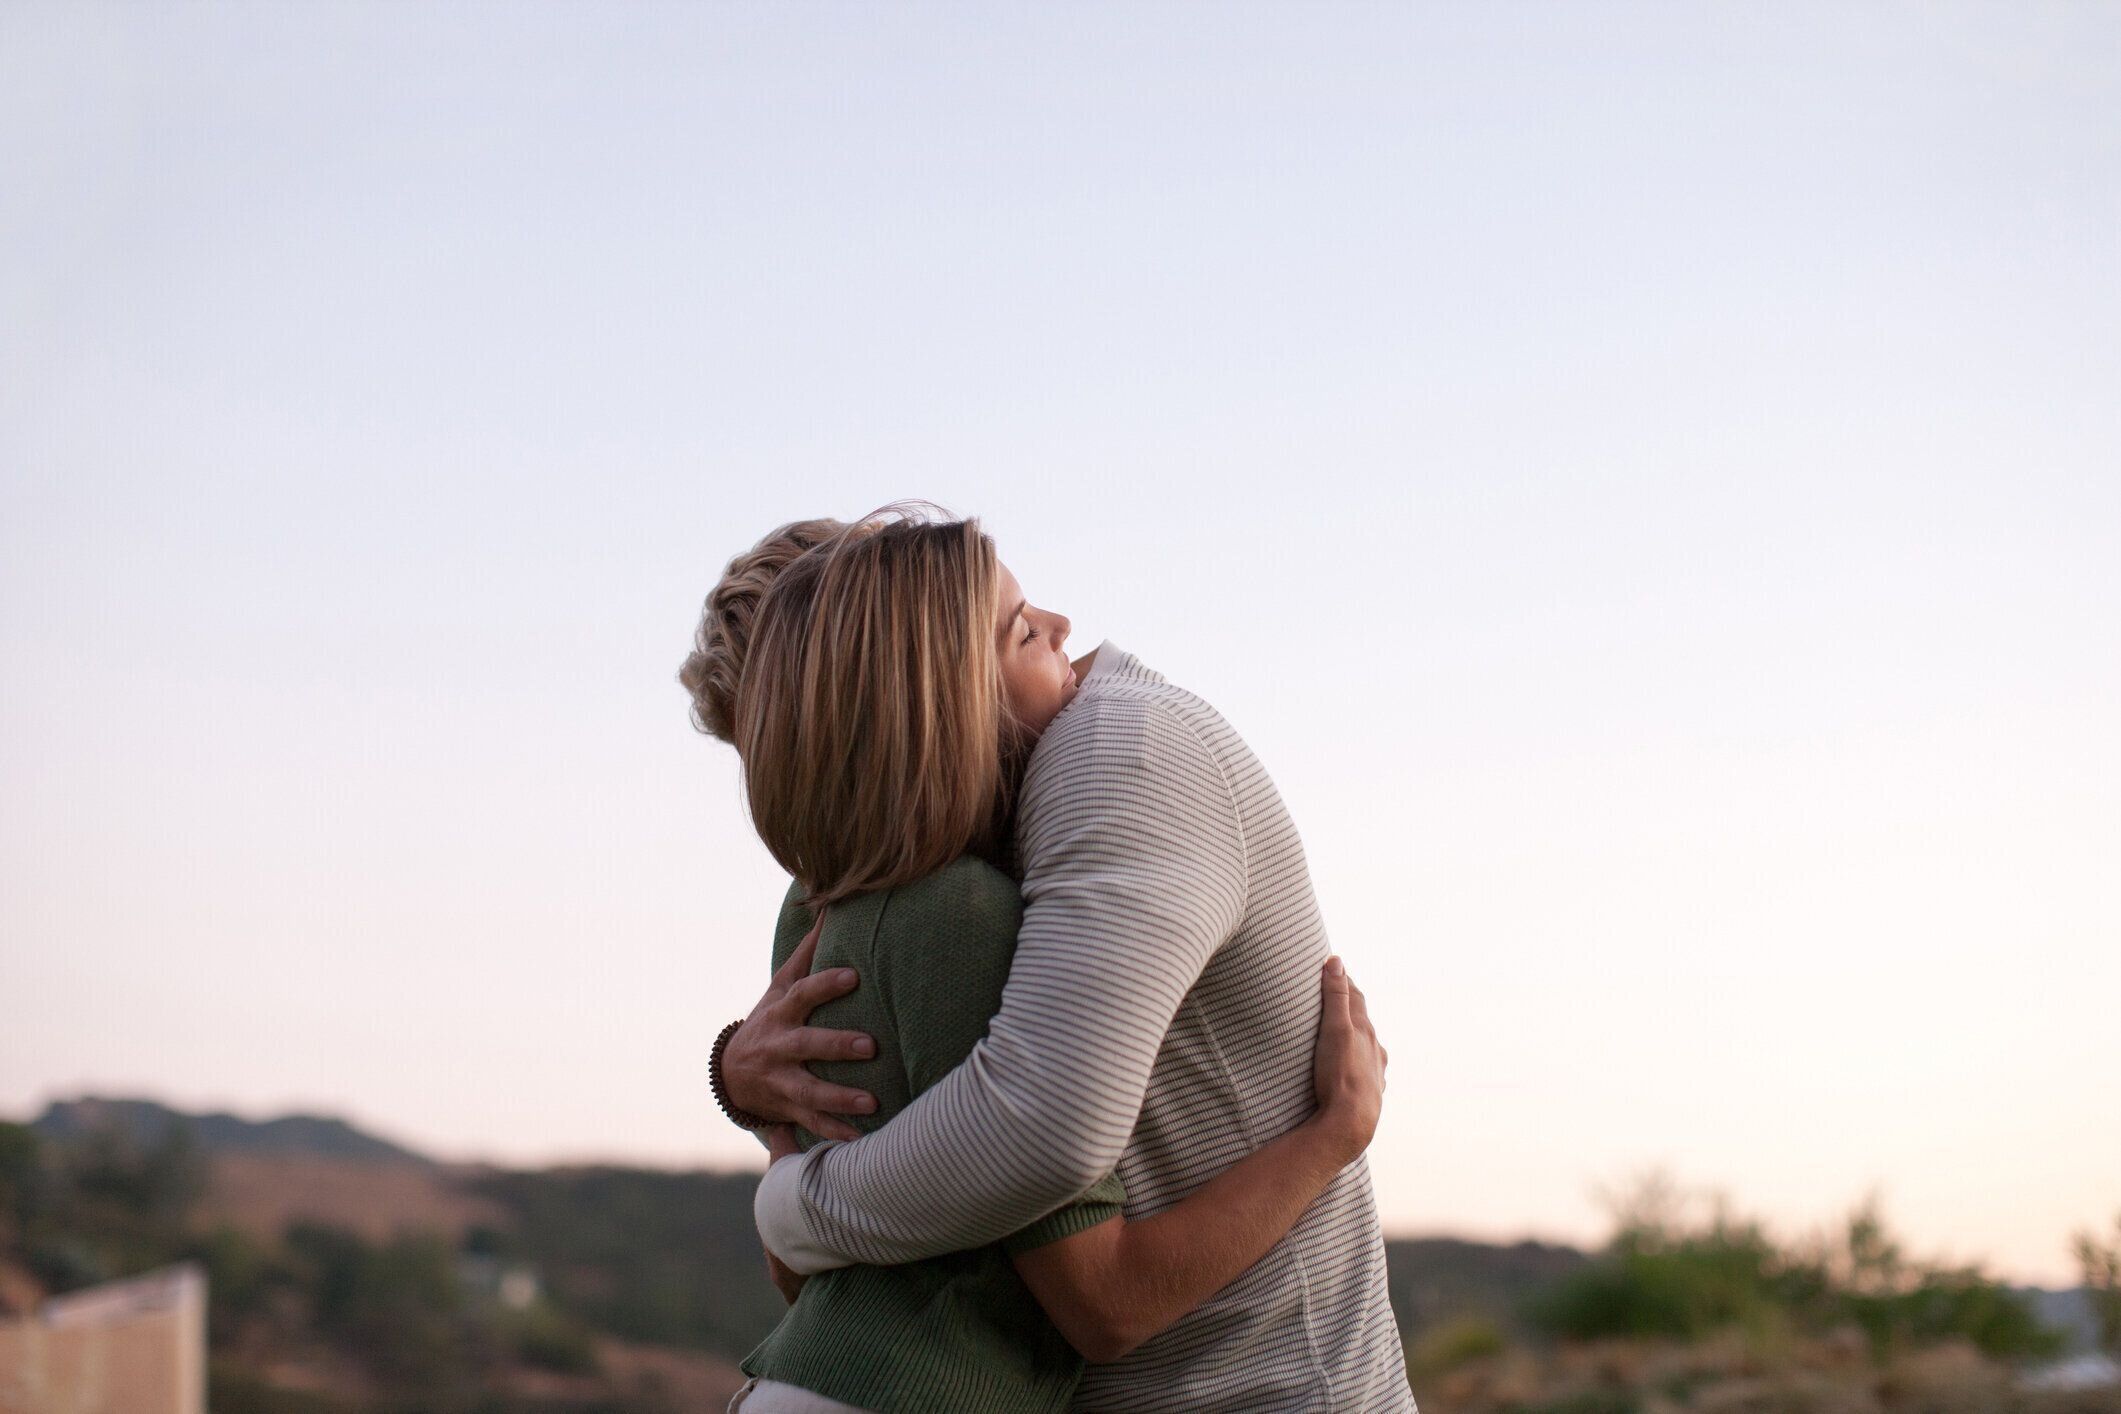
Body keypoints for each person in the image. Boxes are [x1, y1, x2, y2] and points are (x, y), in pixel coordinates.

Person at [684, 512, 1394, 1413]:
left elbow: (1040, 1162)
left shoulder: (1111, 763)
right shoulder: (906, 897)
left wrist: (788, 1199)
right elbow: (837, 1274)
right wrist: (741, 1086)